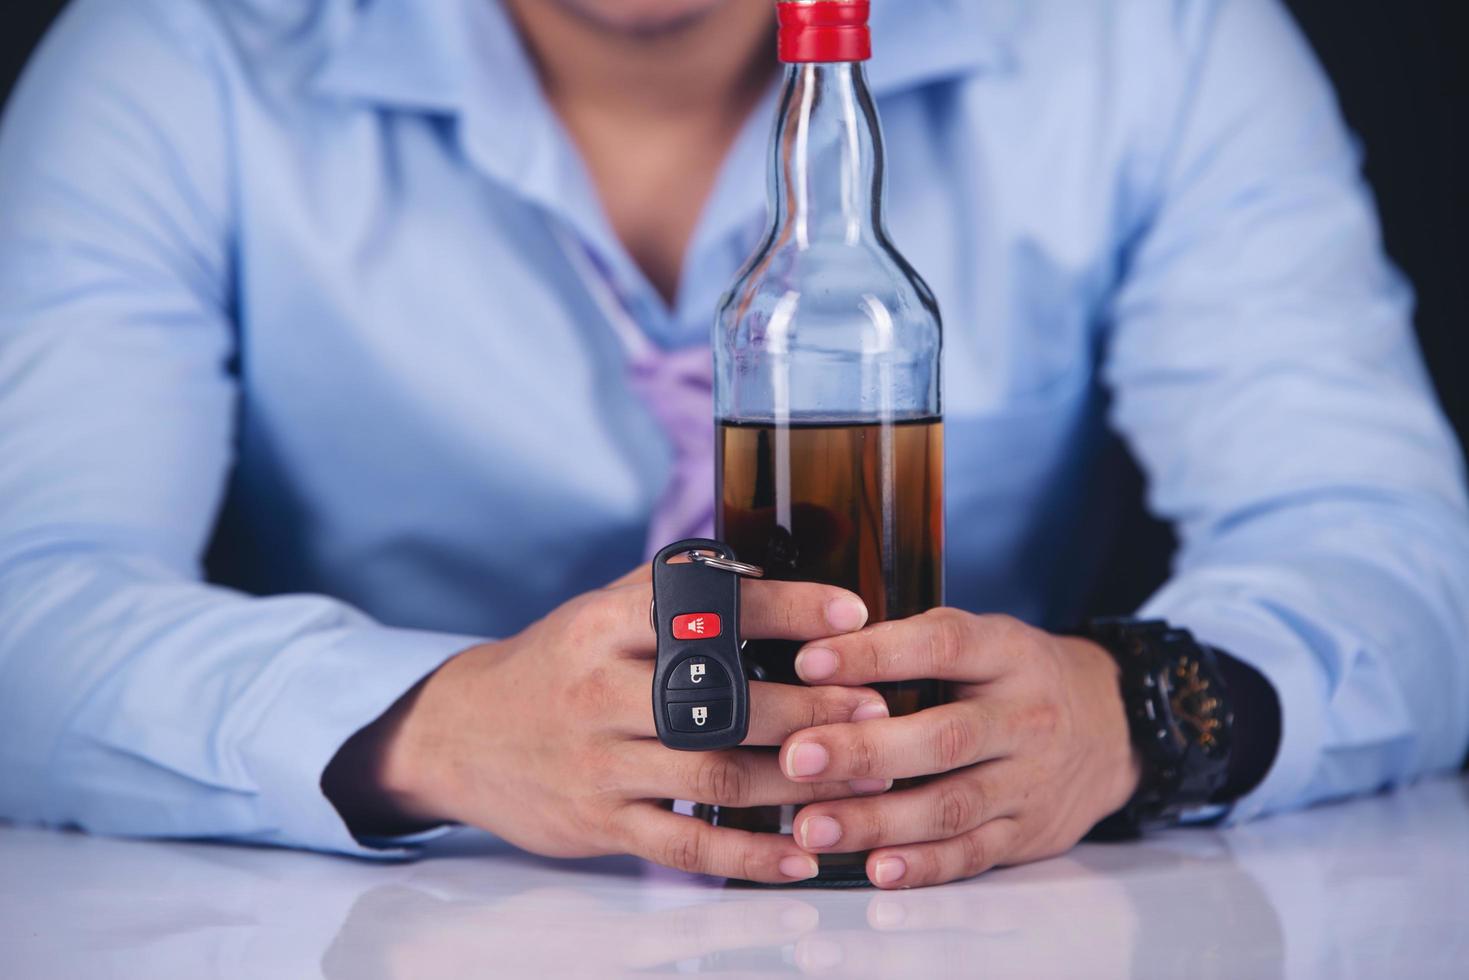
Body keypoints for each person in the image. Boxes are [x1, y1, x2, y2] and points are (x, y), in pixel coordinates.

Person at [0, 0, 1465, 890]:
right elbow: (27, 603)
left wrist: (1132, 714)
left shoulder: (1152, 38)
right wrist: (433, 729)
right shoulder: (177, 56)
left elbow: (1390, 547)